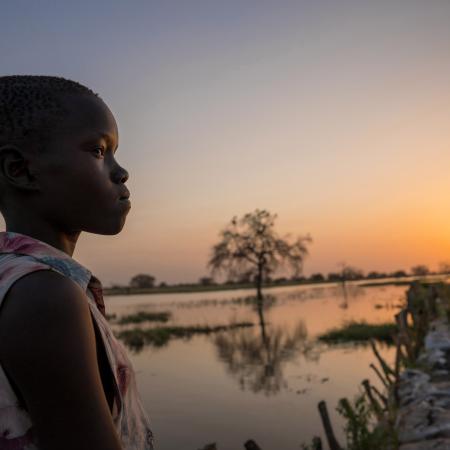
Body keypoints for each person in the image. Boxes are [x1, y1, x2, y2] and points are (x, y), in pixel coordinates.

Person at [0, 75, 154, 450]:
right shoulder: (45, 295)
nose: (121, 172)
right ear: (21, 170)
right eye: (99, 151)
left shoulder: (15, 279)